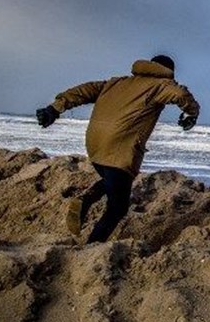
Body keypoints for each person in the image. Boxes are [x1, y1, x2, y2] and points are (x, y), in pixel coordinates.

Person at [35, 55, 200, 243]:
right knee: (117, 208)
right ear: (168, 72)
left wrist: (54, 108)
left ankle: (86, 199)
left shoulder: (116, 83)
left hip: (95, 144)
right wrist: (192, 113)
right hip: (120, 147)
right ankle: (92, 245)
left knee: (113, 181)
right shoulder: (160, 85)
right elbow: (180, 95)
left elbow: (83, 91)